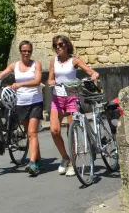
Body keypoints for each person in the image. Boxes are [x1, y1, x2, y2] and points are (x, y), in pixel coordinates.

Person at [0, 40, 44, 176]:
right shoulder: (15, 65)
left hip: (35, 102)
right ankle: (39, 159)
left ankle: (32, 164)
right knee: (28, 133)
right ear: (20, 51)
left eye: (29, 51)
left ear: (31, 51)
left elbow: (37, 81)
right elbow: (0, 75)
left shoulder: (36, 65)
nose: (26, 53)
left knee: (32, 133)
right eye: (24, 51)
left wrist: (21, 84)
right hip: (20, 103)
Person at [47, 35, 100, 177]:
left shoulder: (74, 60)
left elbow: (89, 71)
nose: (58, 47)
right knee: (54, 130)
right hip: (57, 97)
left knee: (72, 130)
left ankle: (73, 163)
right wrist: (52, 82)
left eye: (61, 44)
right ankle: (65, 158)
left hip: (71, 96)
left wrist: (94, 74)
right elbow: (50, 78)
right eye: (56, 45)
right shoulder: (54, 61)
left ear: (67, 45)